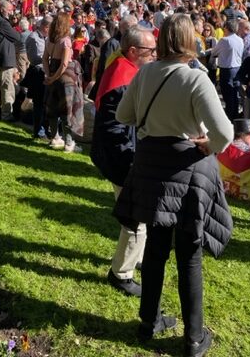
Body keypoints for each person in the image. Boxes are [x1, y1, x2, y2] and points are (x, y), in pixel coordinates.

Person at [114, 14, 233, 355]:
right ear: (189, 39)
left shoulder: (146, 73)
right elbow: (224, 133)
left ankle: (148, 321)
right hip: (187, 170)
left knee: (155, 250)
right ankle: (194, 339)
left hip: (153, 168)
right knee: (189, 255)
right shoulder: (196, 79)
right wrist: (210, 144)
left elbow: (124, 115)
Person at [91, 26, 156, 297]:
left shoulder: (120, 66)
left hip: (119, 155)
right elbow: (116, 131)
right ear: (132, 51)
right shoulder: (123, 79)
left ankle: (136, 257)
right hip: (122, 159)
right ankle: (122, 273)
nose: (154, 55)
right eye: (149, 51)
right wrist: (132, 162)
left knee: (138, 216)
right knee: (136, 217)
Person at [43, 11, 84, 153]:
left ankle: (55, 138)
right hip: (65, 78)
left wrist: (49, 75)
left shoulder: (49, 40)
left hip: (53, 75)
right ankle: (68, 143)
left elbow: (44, 58)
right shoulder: (66, 41)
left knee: (53, 107)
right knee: (68, 110)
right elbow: (65, 63)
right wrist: (54, 77)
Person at [0, 0, 22, 121]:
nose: (10, 12)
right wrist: (15, 28)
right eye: (9, 10)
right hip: (4, 59)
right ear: (2, 9)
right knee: (7, 87)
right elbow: (16, 36)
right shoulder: (1, 21)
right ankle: (6, 114)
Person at [211, 19, 244, 121]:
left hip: (227, 69)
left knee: (228, 94)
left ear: (226, 28)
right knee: (235, 93)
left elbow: (214, 52)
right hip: (237, 68)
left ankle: (230, 116)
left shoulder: (224, 40)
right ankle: (235, 114)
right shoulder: (240, 40)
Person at [25, 16, 52, 139]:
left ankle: (46, 128)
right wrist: (48, 58)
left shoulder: (47, 38)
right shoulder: (33, 38)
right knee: (39, 104)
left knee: (46, 104)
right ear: (46, 27)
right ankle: (39, 131)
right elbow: (34, 58)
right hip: (37, 73)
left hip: (46, 73)